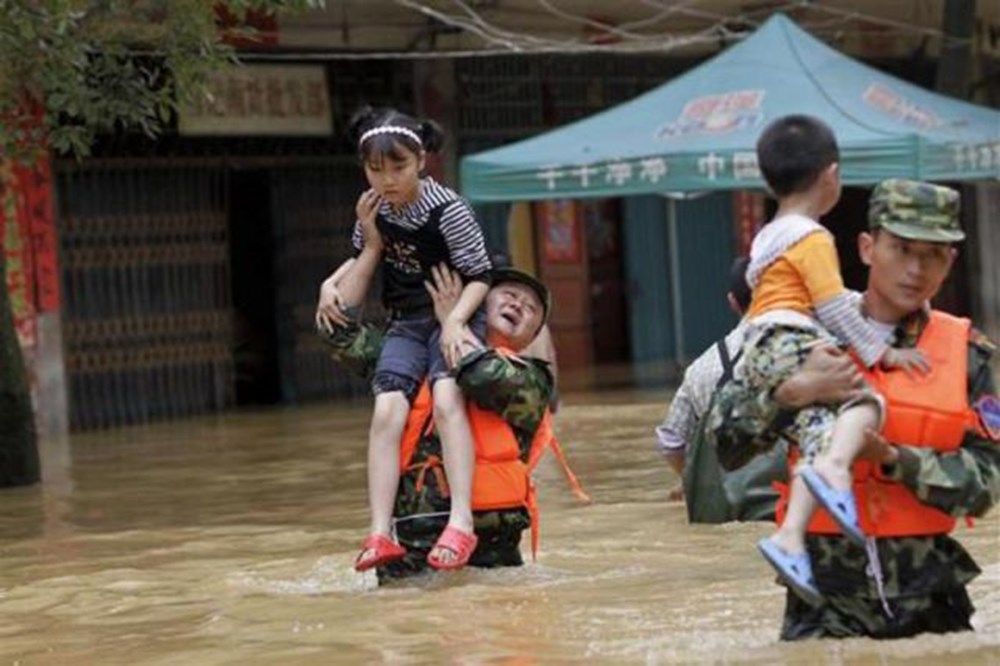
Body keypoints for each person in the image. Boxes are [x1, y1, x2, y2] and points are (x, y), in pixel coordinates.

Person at [705, 178, 1000, 640]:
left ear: (951, 262)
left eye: (933, 254)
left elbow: (985, 486)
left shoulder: (969, 353)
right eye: (901, 248)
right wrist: (792, 394)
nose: (915, 269)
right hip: (822, 603)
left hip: (931, 599)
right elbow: (726, 448)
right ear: (867, 248)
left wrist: (890, 458)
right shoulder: (795, 338)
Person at [742, 115, 926, 602]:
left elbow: (826, 298)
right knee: (864, 401)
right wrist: (880, 351)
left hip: (760, 344)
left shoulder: (770, 236)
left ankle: (789, 536)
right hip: (788, 338)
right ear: (831, 175)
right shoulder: (813, 237)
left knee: (820, 428)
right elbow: (830, 308)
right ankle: (837, 473)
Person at [319, 253, 587, 579]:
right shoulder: (409, 359)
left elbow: (481, 376)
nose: (518, 305)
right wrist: (335, 284)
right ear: (477, 302)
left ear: (531, 337)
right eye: (510, 296)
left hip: (492, 556)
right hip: (410, 551)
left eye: (531, 309)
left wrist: (453, 324)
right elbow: (338, 332)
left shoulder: (532, 379)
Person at [322, 106, 493, 572]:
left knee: (445, 399)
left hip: (454, 314)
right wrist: (330, 285)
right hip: (407, 323)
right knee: (386, 411)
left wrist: (455, 322)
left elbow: (481, 275)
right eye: (375, 170)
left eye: (398, 167)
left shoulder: (449, 210)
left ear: (421, 161)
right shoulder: (371, 209)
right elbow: (359, 267)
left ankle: (461, 523)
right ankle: (379, 533)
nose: (388, 180)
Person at [655, 257, 787, 522]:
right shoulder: (807, 353)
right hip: (783, 506)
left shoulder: (701, 368)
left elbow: (670, 441)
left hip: (724, 508)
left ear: (733, 302)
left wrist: (689, 479)